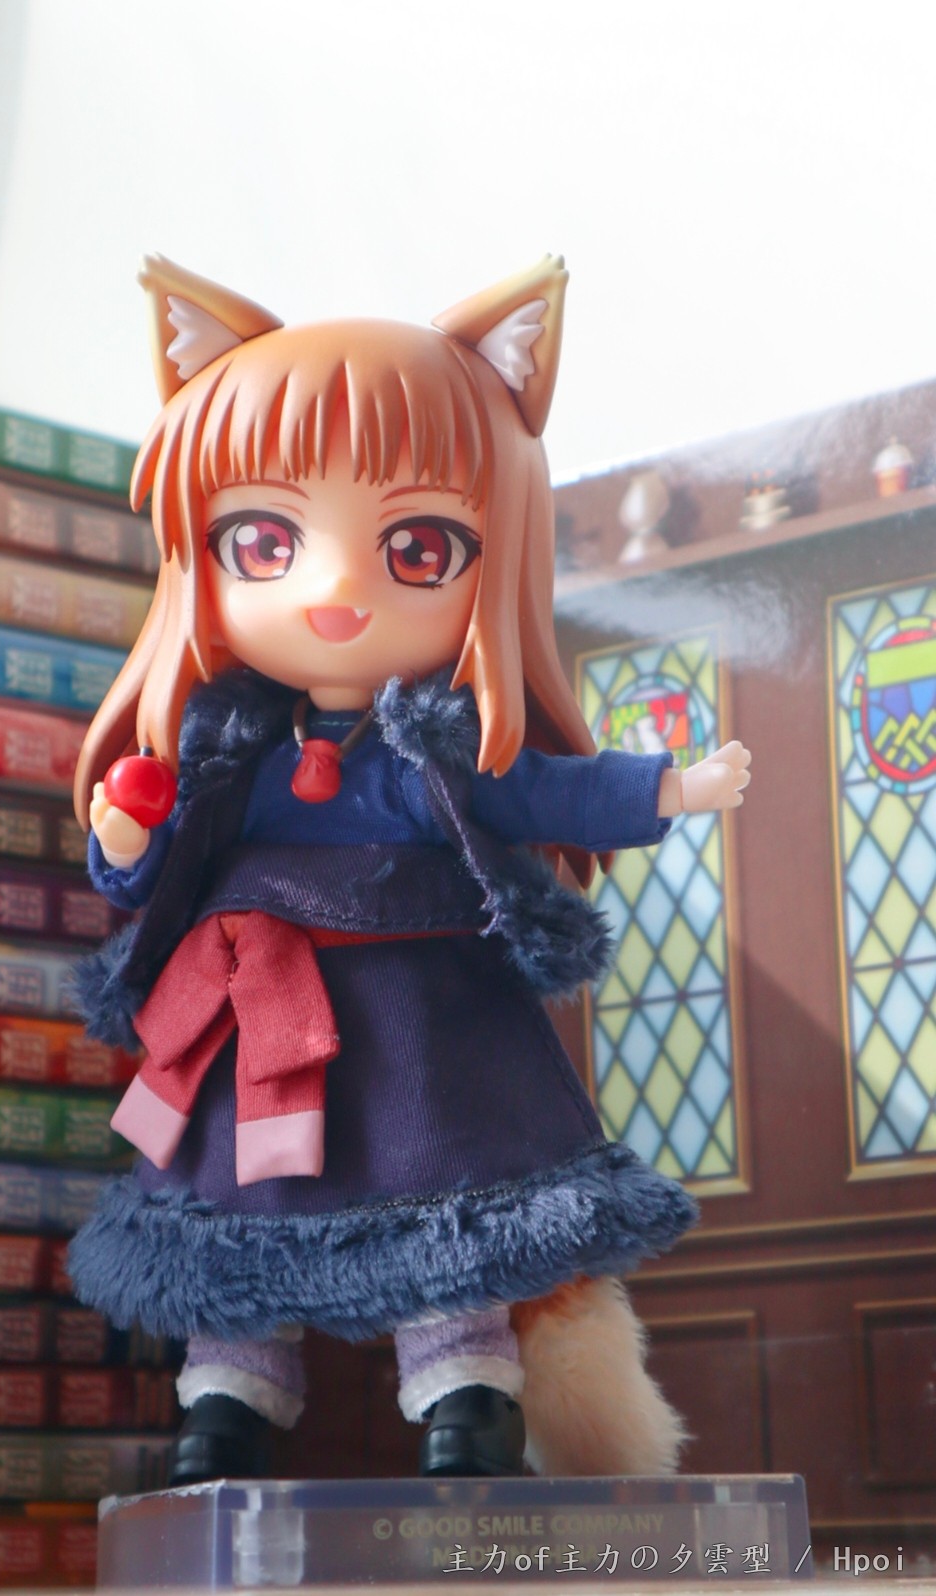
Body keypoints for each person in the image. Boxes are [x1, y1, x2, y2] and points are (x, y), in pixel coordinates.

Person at [68, 255, 751, 1483]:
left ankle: (467, 1397)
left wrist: (668, 788)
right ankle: (226, 1403)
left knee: (451, 1213)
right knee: (237, 1224)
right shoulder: (226, 745)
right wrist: (125, 837)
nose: (335, 589)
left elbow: (537, 787)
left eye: (417, 547)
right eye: (264, 540)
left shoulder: (438, 743)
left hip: (422, 1025)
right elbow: (152, 872)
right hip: (247, 1020)